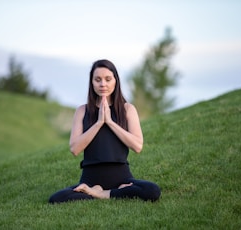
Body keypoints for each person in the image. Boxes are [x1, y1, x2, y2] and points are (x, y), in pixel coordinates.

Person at [48, 59, 161, 203]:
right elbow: (75, 149)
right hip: (90, 179)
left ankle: (101, 194)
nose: (103, 84)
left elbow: (137, 146)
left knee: (152, 190)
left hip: (122, 178)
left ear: (115, 81)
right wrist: (99, 122)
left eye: (108, 79)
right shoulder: (82, 111)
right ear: (92, 82)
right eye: (97, 80)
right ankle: (104, 191)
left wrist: (110, 122)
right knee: (56, 198)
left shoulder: (127, 109)